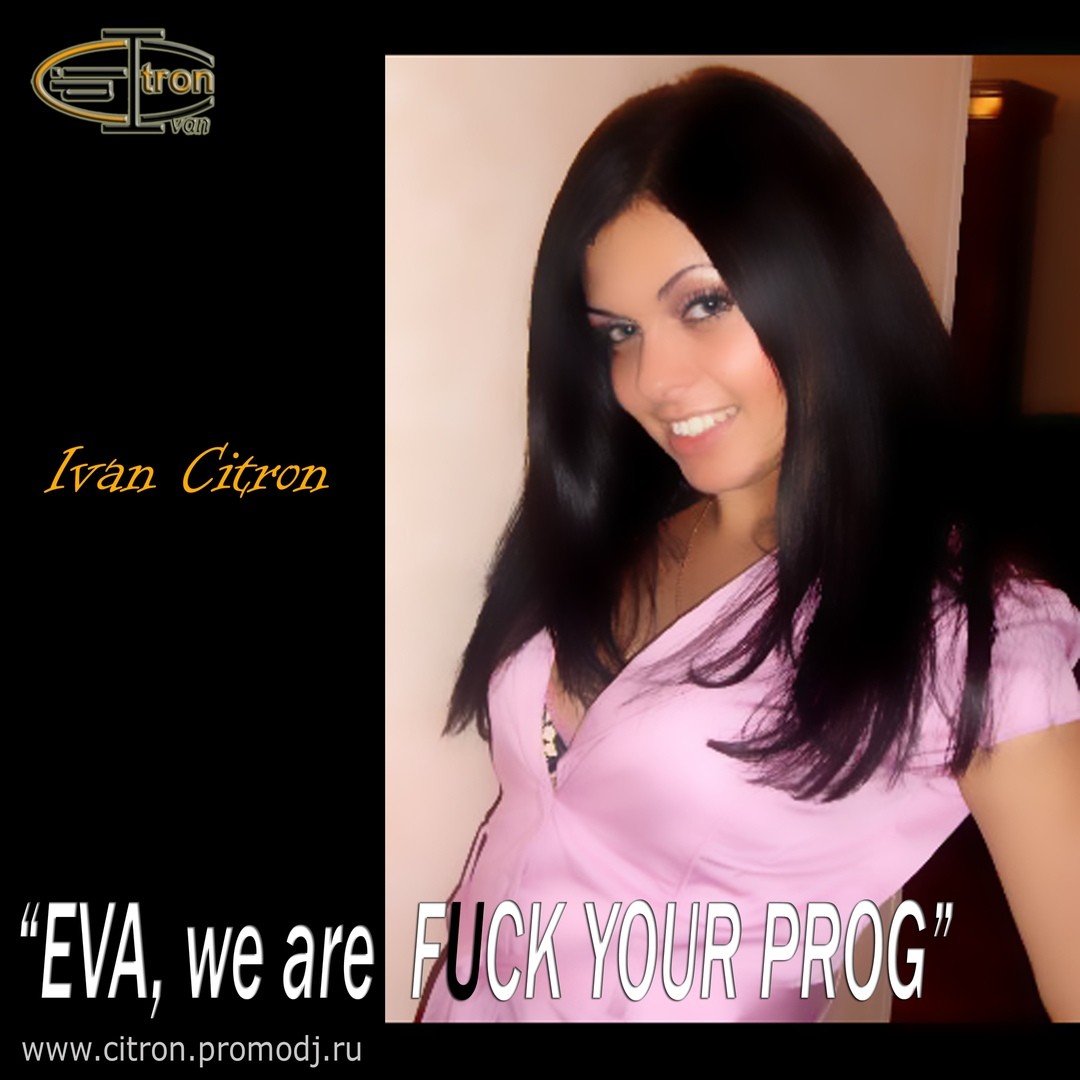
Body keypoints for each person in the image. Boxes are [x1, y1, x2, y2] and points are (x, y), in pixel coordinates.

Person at [418, 67, 1080, 1022]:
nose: (651, 380)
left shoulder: (964, 634)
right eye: (618, 333)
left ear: (827, 288)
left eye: (704, 305)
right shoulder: (626, 535)